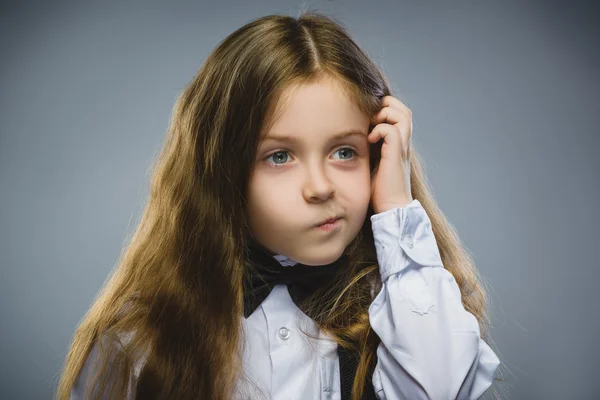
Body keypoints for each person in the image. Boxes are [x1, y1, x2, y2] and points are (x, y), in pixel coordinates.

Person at [56, 11, 501, 400]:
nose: (321, 187)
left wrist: (397, 209)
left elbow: (441, 390)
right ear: (223, 175)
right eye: (279, 156)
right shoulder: (142, 338)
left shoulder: (406, 306)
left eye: (344, 152)